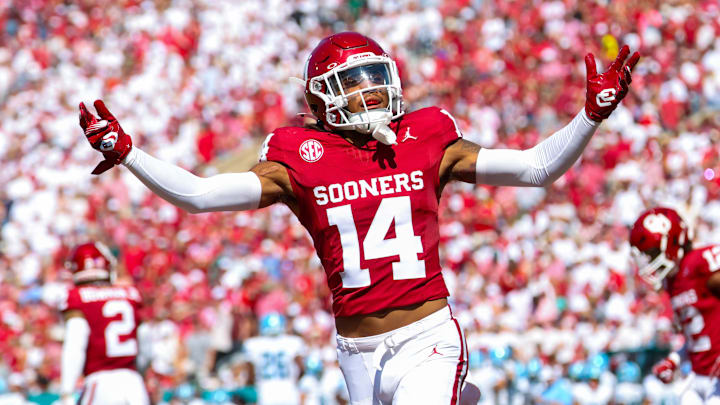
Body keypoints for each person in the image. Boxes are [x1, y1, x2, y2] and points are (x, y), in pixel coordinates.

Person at [79, 31, 638, 404]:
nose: (370, 90)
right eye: (353, 81)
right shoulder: (300, 156)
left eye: (376, 76)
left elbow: (536, 168)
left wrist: (589, 117)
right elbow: (200, 196)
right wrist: (130, 154)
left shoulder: (426, 138)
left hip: (427, 338)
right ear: (321, 98)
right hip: (355, 351)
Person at [630, 207, 720, 403]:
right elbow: (698, 337)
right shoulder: (673, 281)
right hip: (698, 378)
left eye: (652, 253)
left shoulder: (700, 262)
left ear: (672, 242)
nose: (650, 261)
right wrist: (675, 360)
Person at [59, 242, 150, 405]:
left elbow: (75, 345)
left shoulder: (78, 297)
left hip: (101, 383)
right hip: (134, 384)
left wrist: (67, 390)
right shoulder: (130, 294)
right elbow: (145, 345)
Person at [242, 313, 305, 405]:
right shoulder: (293, 342)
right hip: (289, 390)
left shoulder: (253, 344)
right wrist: (294, 381)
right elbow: (302, 368)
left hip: (265, 391)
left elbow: (250, 375)